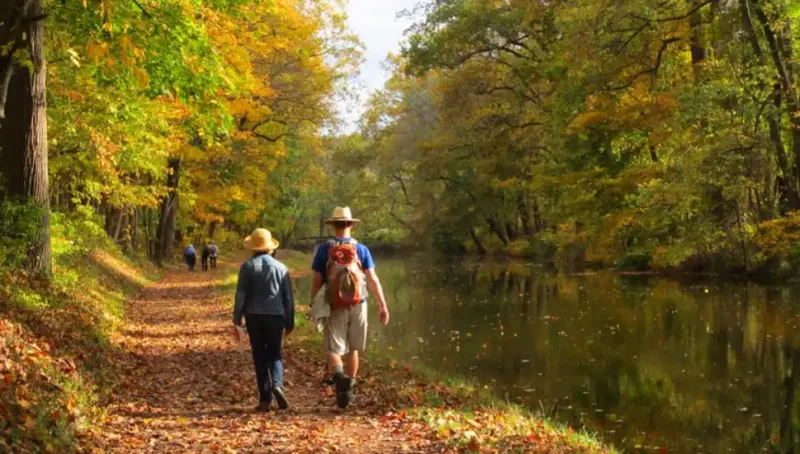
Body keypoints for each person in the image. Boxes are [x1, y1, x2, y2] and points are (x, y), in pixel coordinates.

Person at [310, 207, 390, 409]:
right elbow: (372, 279)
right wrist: (382, 305)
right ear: (351, 225)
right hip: (359, 304)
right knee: (354, 348)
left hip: (334, 305)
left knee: (332, 348)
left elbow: (317, 280)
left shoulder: (324, 249)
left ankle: (339, 376)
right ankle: (348, 389)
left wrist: (314, 304)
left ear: (333, 226)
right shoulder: (361, 249)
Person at [233, 228, 294, 412]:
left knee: (259, 355)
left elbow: (241, 295)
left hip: (254, 316)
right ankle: (278, 384)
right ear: (270, 248)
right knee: (275, 353)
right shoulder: (281, 268)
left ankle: (265, 399)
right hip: (276, 316)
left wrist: (237, 318)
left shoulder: (247, 267)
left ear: (253, 248)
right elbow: (288, 297)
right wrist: (289, 321)